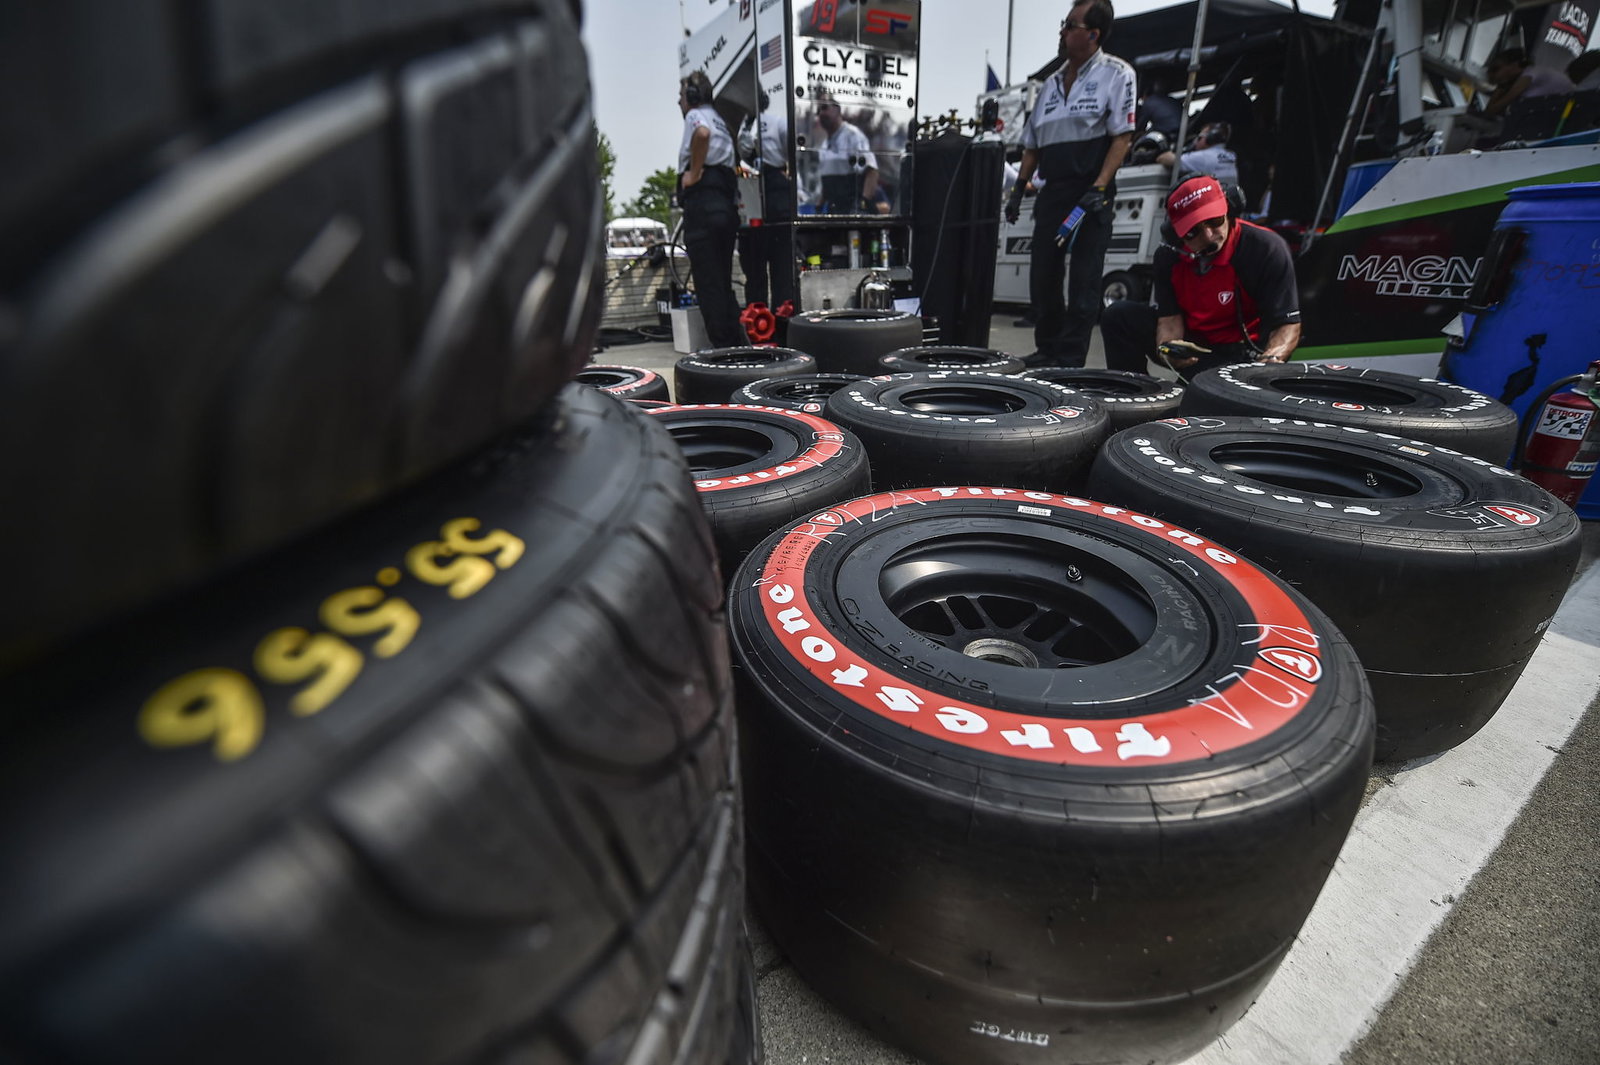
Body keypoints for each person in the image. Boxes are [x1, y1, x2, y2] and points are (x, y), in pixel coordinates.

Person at [1006, 0, 1136, 368]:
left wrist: (1098, 188)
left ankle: (1070, 359)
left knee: (1084, 281)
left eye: (1070, 25)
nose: (1062, 32)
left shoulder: (1117, 74)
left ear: (1093, 34)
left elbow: (1122, 138)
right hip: (1053, 192)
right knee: (1042, 273)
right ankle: (1046, 349)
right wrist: (1019, 189)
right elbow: (1032, 146)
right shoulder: (1048, 85)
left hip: (1090, 192)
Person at [1100, 175, 1301, 380]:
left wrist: (1268, 364)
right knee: (1118, 316)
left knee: (1191, 398)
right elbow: (1169, 320)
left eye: (1215, 221)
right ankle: (1131, 392)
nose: (1208, 236)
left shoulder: (1266, 248)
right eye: (1192, 232)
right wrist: (1169, 350)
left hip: (1239, 353)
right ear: (1175, 234)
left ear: (1229, 210)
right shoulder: (1168, 256)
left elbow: (1287, 325)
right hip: (1194, 348)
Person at [677, 70, 745, 348]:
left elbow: (701, 135)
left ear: (692, 97)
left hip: (703, 205)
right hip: (724, 207)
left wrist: (693, 174)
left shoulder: (697, 116)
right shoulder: (721, 119)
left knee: (708, 284)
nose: (678, 101)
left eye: (681, 96)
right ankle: (737, 346)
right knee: (723, 282)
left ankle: (722, 352)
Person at [737, 91, 795, 309]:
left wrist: (787, 174)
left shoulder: (774, 123)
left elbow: (792, 150)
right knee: (759, 266)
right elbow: (743, 152)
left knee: (776, 265)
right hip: (756, 187)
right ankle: (761, 317)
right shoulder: (747, 126)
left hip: (774, 187)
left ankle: (777, 314)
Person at [814, 98, 879, 213]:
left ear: (837, 110)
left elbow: (872, 171)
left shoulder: (853, 135)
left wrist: (862, 204)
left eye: (824, 108)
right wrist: (819, 205)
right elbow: (827, 184)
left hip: (852, 210)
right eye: (818, 111)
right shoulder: (824, 146)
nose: (821, 114)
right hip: (834, 211)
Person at [1485, 47, 1575, 117]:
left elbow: (1491, 111)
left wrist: (1500, 87)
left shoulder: (1529, 75)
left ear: (1514, 65)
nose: (1492, 74)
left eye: (1496, 69)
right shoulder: (1531, 73)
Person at [1157, 121, 1239, 185]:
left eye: (1200, 137)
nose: (1196, 141)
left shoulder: (1204, 157)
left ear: (1210, 138)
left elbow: (1164, 159)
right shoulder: (1230, 155)